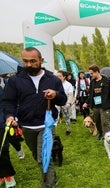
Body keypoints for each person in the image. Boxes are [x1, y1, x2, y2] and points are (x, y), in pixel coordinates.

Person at [2, 47, 67, 188]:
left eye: (33, 61)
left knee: (43, 158)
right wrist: (10, 115)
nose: (29, 64)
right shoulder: (15, 80)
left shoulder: (53, 79)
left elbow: (63, 100)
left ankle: (48, 185)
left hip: (46, 125)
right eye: (25, 61)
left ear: (41, 60)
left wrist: (55, 94)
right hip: (26, 126)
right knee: (37, 156)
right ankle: (52, 178)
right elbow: (8, 102)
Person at [83, 65, 110, 140]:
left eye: (92, 73)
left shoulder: (106, 81)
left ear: (97, 72)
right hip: (95, 105)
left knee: (105, 122)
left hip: (105, 105)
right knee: (97, 122)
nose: (91, 75)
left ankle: (107, 137)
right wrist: (86, 102)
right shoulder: (92, 82)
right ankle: (101, 133)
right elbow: (91, 94)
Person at [0, 85, 16, 188]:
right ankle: (1, 175)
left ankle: (8, 175)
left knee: (3, 149)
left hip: (0, 123)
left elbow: (4, 104)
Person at [56, 70, 74, 135]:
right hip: (56, 103)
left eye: (60, 76)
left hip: (65, 103)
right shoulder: (54, 84)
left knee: (67, 117)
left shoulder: (68, 85)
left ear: (64, 77)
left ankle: (68, 129)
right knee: (55, 117)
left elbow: (71, 94)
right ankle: (53, 132)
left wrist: (69, 103)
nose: (58, 77)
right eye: (57, 76)